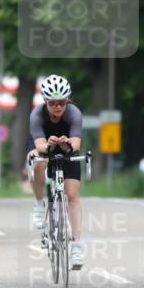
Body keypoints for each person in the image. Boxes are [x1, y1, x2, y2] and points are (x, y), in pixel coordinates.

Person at [26, 74, 86, 270]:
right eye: (53, 103)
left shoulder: (74, 114)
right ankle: (38, 204)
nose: (58, 107)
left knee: (72, 197)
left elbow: (76, 143)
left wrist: (67, 144)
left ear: (67, 100)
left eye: (62, 102)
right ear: (45, 101)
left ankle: (77, 247)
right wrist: (49, 144)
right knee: (37, 163)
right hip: (44, 146)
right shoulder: (36, 115)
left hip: (68, 150)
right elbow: (39, 144)